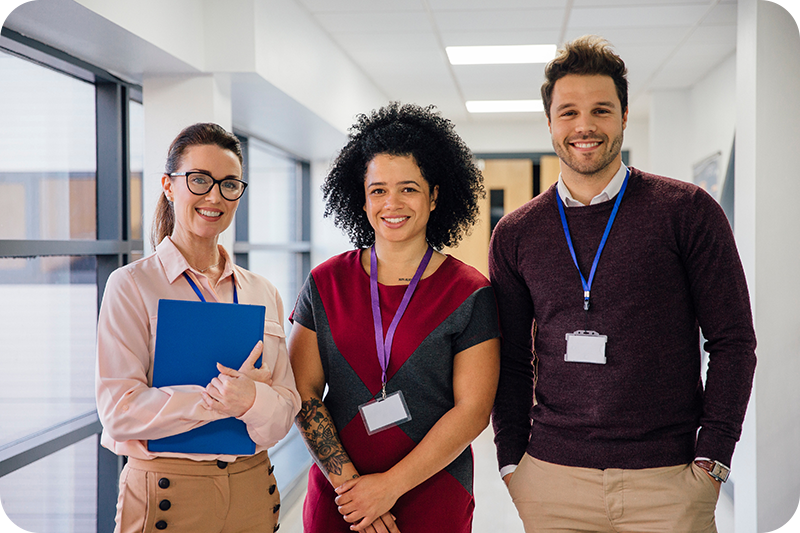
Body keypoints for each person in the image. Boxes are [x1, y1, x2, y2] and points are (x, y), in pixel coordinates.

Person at [489, 35, 757, 533]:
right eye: (568, 112)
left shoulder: (687, 212)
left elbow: (734, 342)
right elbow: (508, 358)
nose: (584, 126)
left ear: (625, 116)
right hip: (552, 482)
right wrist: (512, 463)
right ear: (549, 121)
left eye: (601, 110)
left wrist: (714, 458)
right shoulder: (516, 233)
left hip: (668, 482)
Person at [288, 102, 500, 533]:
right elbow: (303, 392)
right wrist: (353, 489)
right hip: (340, 498)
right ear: (361, 197)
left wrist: (388, 487)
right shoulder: (324, 283)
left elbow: (474, 410)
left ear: (435, 195)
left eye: (409, 188)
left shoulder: (469, 291)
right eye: (378, 190)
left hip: (433, 491)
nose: (392, 203)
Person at [96, 122, 301, 533]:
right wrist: (219, 401)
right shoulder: (133, 285)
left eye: (229, 184)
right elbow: (118, 412)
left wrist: (252, 401)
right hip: (168, 494)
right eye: (199, 180)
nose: (214, 196)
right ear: (169, 187)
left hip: (252, 488)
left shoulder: (262, 291)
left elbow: (285, 412)